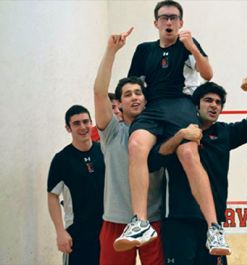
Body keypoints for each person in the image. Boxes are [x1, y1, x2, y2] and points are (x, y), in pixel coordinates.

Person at [116, 0, 229, 255]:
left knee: (189, 154)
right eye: (164, 18)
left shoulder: (188, 44)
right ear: (156, 23)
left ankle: (214, 228)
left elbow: (208, 73)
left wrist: (192, 48)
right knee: (135, 146)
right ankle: (140, 222)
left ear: (181, 22)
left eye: (174, 18)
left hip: (180, 105)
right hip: (153, 107)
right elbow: (134, 83)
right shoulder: (144, 50)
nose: (169, 22)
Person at [150, 79, 247, 264]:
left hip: (213, 225)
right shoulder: (176, 130)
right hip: (179, 221)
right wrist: (180, 137)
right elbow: (154, 160)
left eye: (218, 102)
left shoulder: (225, 133)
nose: (214, 105)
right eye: (208, 100)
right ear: (196, 105)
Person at [93, 29, 164, 264]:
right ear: (120, 103)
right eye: (127, 94)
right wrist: (111, 51)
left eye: (138, 93)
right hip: (115, 221)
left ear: (145, 99)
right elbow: (99, 92)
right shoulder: (112, 132)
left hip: (153, 220)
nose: (134, 97)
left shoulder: (159, 133)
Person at [47, 105, 105, 265]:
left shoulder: (104, 151)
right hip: (77, 233)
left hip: (106, 230)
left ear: (91, 123)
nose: (83, 127)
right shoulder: (61, 160)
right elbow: (52, 195)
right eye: (76, 123)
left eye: (86, 122)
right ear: (68, 128)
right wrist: (60, 232)